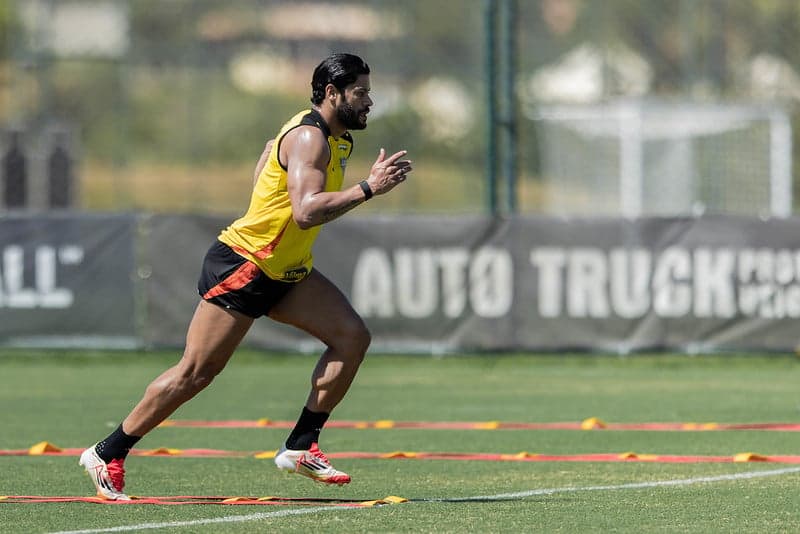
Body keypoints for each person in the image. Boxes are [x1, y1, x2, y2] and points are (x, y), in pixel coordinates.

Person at [79, 53, 412, 500]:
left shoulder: (338, 137)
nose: (370, 100)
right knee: (195, 373)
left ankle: (300, 445)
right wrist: (369, 188)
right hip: (246, 265)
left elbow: (264, 163)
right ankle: (107, 452)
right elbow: (306, 210)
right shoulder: (309, 137)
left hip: (286, 270)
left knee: (351, 336)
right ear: (332, 93)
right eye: (362, 92)